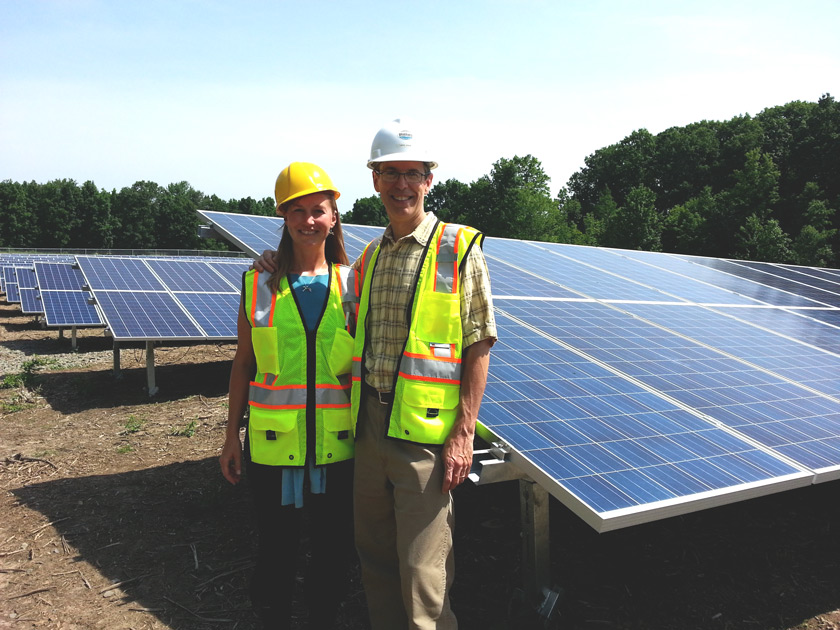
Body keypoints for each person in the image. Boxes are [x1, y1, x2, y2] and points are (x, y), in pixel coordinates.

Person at [256, 118, 496, 629]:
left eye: (412, 173)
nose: (401, 184)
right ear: (374, 181)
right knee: (377, 561)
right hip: (368, 429)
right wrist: (274, 260)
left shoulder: (457, 249)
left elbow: (480, 341)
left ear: (429, 180)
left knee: (422, 571)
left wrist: (463, 432)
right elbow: (317, 289)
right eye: (390, 173)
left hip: (425, 439)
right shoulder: (368, 258)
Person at [220, 162, 359, 630]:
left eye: (318, 210)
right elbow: (243, 363)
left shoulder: (354, 286)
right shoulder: (258, 283)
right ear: (283, 218)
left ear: (334, 217)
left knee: (332, 550)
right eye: (296, 211)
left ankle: (323, 618)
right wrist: (230, 437)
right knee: (275, 551)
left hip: (338, 446)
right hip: (274, 444)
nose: (308, 220)